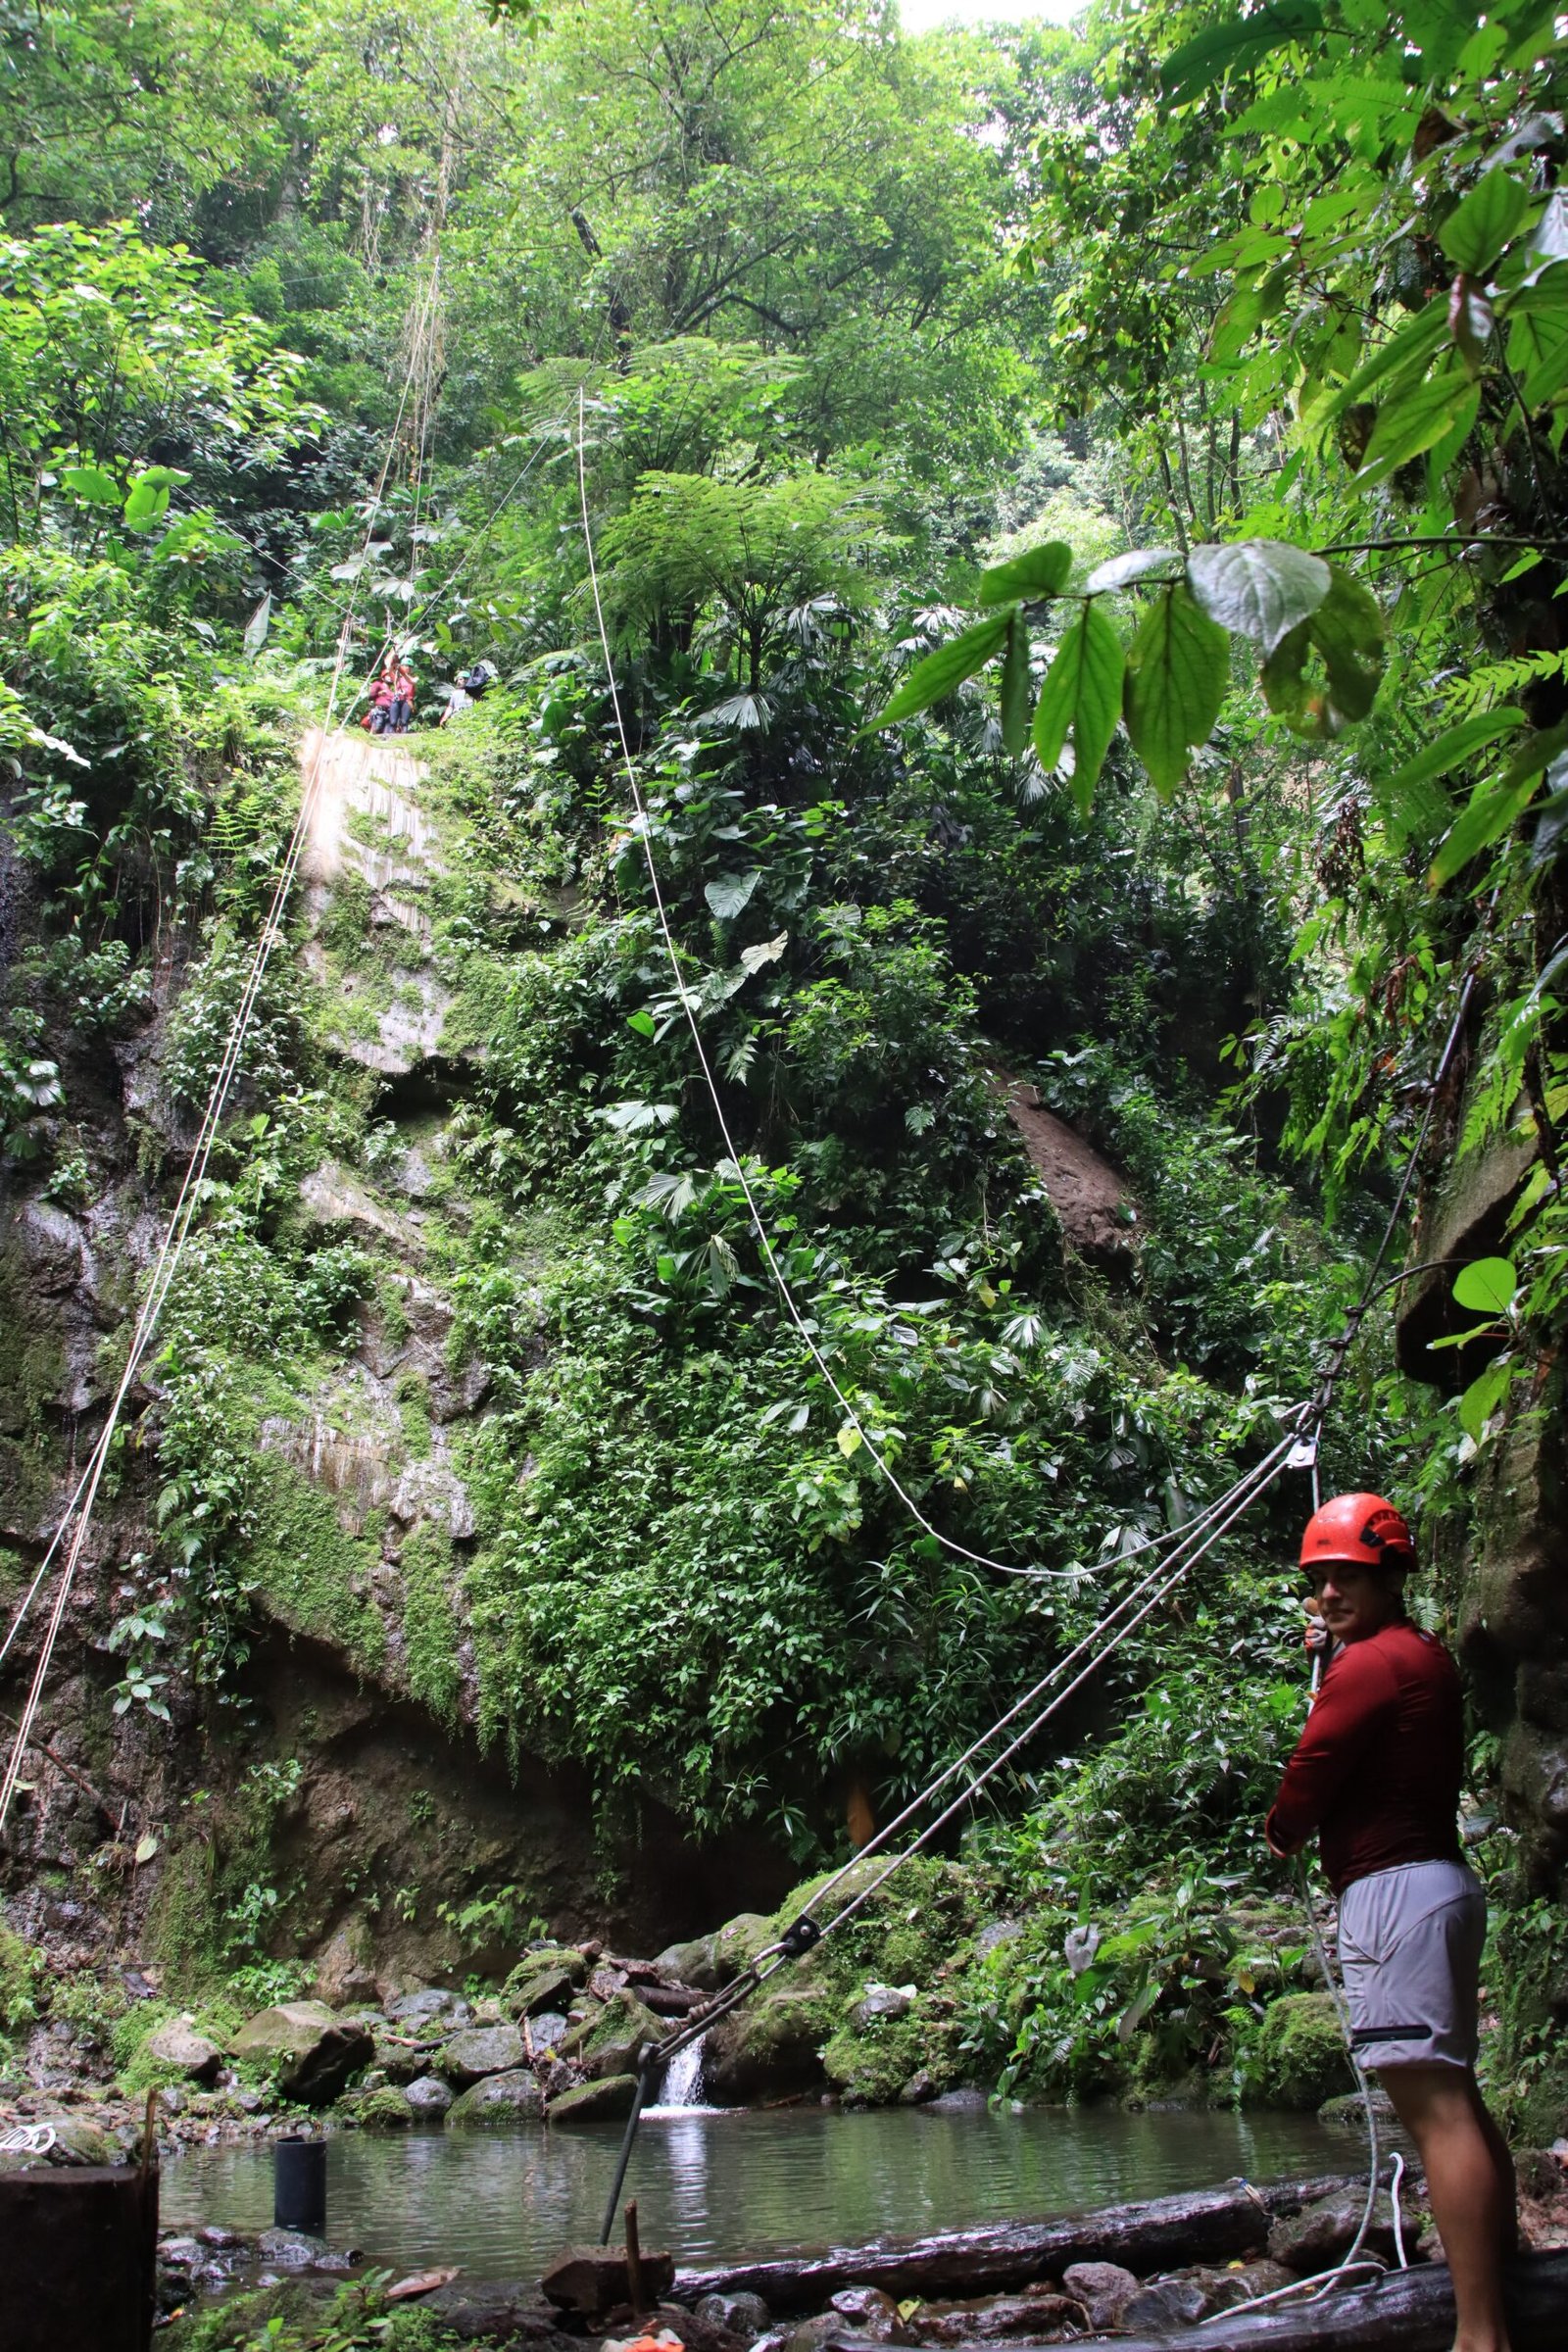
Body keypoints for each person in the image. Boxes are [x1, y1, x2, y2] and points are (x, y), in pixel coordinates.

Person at [1265, 1494, 1516, 2352]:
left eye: (1349, 1577)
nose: (1330, 1593)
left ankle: (1480, 2334)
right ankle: (1503, 2291)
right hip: (1437, 1888)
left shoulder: (1371, 1666)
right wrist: (1337, 1653)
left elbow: (1316, 1760)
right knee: (1458, 2102)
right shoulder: (1417, 1652)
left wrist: (1282, 1830)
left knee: (1437, 2114)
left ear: (1391, 1577)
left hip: (1395, 1896)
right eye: (1321, 1579)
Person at [386, 658, 416, 735]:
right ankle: (391, 737)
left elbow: (411, 681)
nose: (407, 668)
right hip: (397, 699)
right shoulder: (397, 678)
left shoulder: (414, 678)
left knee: (404, 722)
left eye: (409, 666)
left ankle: (403, 737)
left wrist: (401, 671)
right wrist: (394, 665)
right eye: (405, 666)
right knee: (393, 722)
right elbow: (390, 671)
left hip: (407, 701)